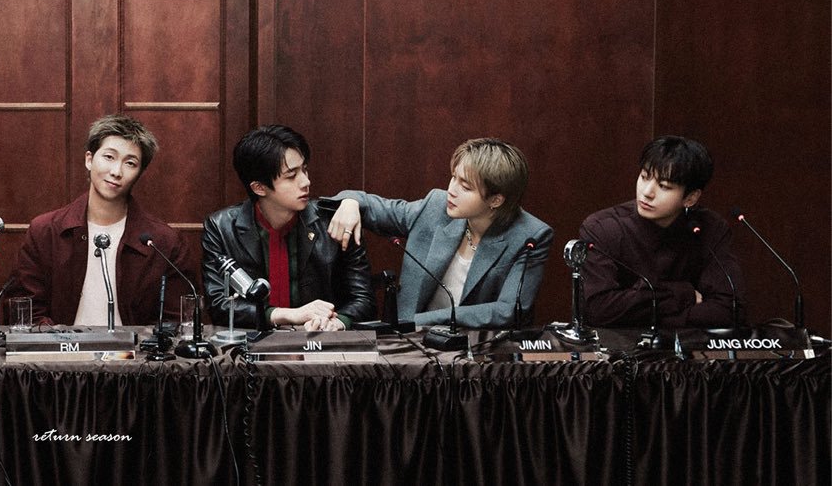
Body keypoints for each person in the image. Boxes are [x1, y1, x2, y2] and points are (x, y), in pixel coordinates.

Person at [326, 138, 552, 328]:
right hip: (409, 346)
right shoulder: (436, 206)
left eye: (465, 187)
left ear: (496, 200)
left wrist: (419, 321)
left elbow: (509, 310)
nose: (451, 190)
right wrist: (351, 202)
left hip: (476, 351)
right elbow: (378, 208)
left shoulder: (531, 235)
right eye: (454, 177)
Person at [12, 114, 193, 327]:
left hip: (136, 349)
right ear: (89, 159)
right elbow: (25, 312)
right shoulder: (45, 231)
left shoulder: (164, 242)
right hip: (61, 348)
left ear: (139, 173)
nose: (116, 172)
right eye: (109, 157)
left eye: (130, 163)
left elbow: (176, 320)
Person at [201, 125, 375, 331]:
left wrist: (338, 322)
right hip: (252, 345)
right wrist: (288, 315)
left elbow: (364, 299)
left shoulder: (335, 221)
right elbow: (219, 305)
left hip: (320, 342)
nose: (306, 181)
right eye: (291, 176)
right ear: (259, 187)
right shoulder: (221, 227)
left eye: (304, 170)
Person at [579, 135, 745, 328]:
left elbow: (731, 310)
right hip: (619, 346)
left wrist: (654, 320)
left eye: (664, 186)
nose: (647, 192)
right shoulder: (602, 227)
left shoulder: (709, 228)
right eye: (644, 177)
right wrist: (681, 294)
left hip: (687, 346)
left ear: (690, 198)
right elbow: (598, 310)